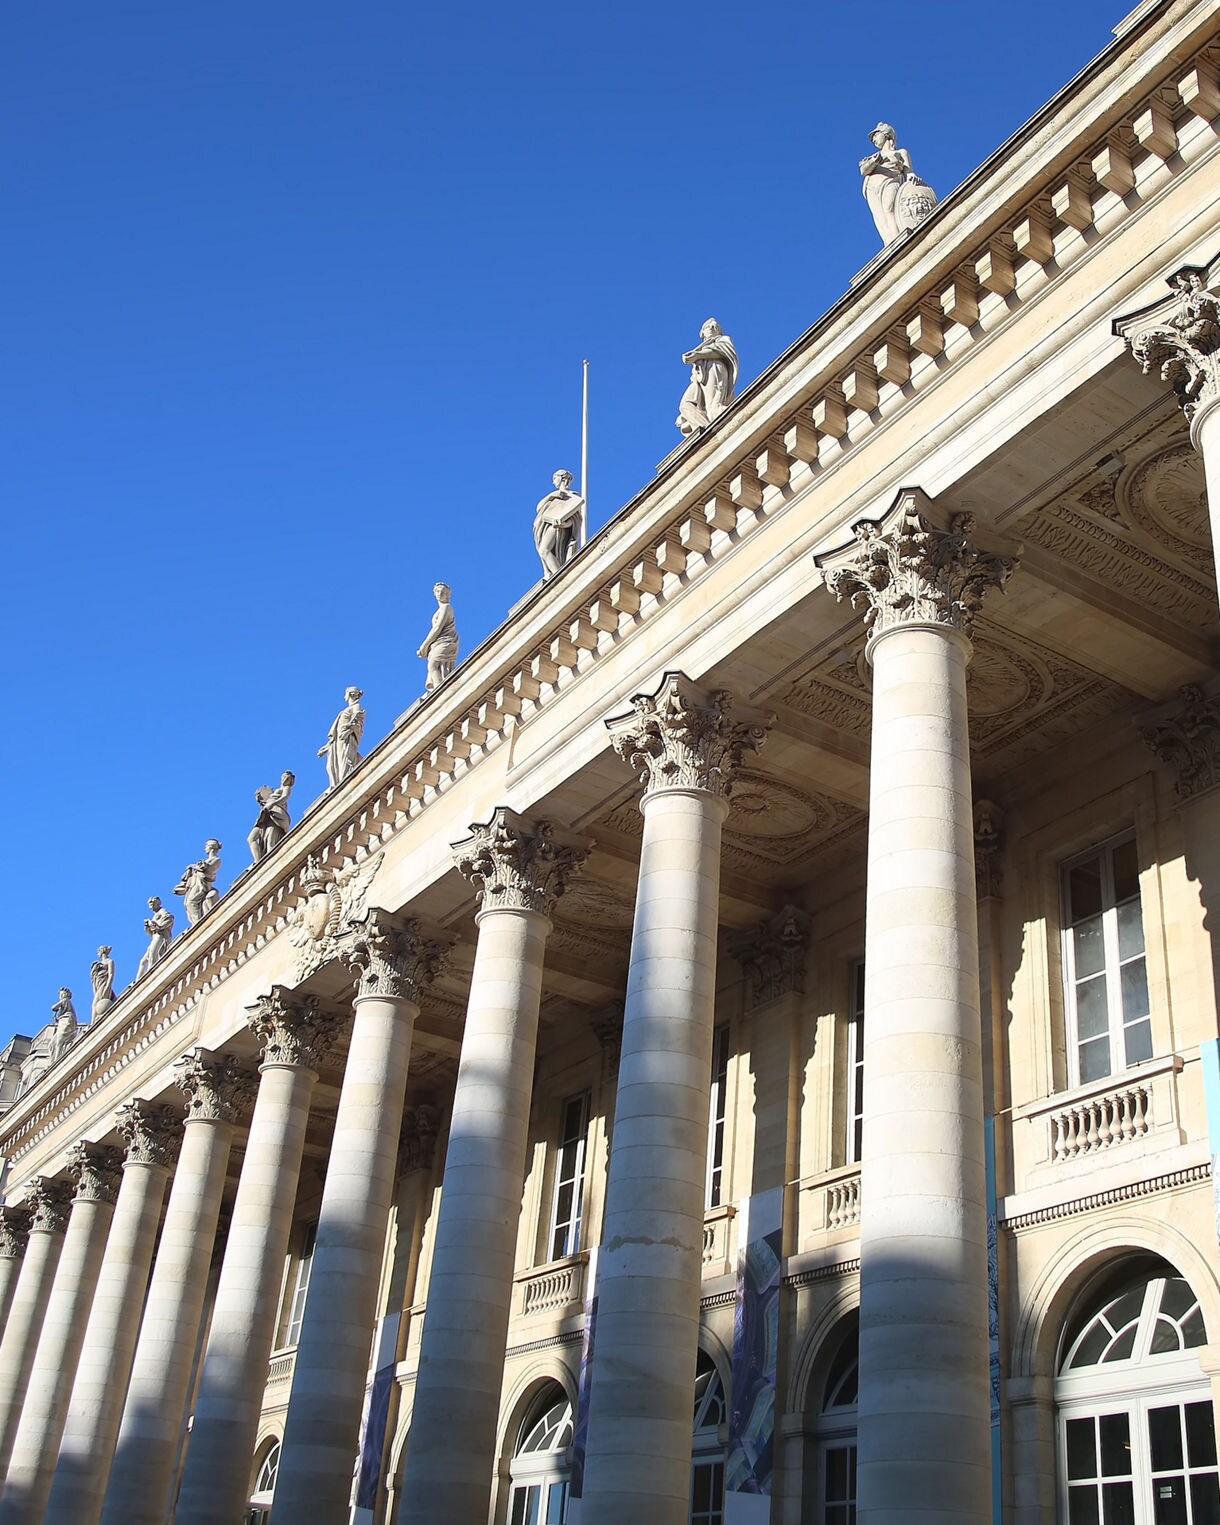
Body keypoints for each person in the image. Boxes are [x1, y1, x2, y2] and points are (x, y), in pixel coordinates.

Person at [860, 122, 937, 246]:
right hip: (871, 187)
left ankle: (897, 240)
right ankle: (888, 244)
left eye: (876, 135)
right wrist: (874, 162)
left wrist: (912, 178)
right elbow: (863, 170)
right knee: (879, 218)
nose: (874, 139)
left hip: (890, 180)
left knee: (889, 209)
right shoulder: (873, 157)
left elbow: (909, 171)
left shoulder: (901, 152)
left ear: (886, 134)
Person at [676, 319, 739, 437]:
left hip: (714, 367)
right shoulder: (702, 346)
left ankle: (719, 428)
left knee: (713, 407)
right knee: (685, 405)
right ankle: (705, 430)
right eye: (708, 326)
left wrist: (698, 355)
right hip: (699, 379)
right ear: (702, 333)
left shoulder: (722, 339)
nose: (712, 328)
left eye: (715, 326)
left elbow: (721, 351)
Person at [533, 471, 586, 578]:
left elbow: (575, 520)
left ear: (562, 478)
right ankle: (555, 574)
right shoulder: (554, 496)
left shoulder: (573, 496)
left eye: (555, 478)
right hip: (548, 525)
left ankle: (559, 577)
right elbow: (539, 508)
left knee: (544, 550)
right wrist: (552, 495)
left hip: (557, 527)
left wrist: (563, 524)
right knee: (544, 551)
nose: (553, 481)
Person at [318, 687, 365, 788]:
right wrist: (327, 746)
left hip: (347, 739)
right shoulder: (346, 710)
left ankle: (344, 783)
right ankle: (338, 784)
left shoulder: (356, 706)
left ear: (350, 695)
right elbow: (335, 733)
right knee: (332, 765)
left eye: (346, 693)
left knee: (345, 761)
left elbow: (358, 719)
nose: (344, 696)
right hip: (338, 741)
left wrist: (348, 728)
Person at [418, 583, 459, 692]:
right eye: (438, 591)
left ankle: (440, 692)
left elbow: (437, 628)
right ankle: (443, 688)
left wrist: (424, 645)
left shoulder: (447, 607)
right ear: (435, 594)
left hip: (446, 640)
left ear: (448, 595)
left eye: (444, 592)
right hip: (438, 642)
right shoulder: (440, 609)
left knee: (433, 665)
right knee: (439, 666)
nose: (441, 594)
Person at [248, 772, 295, 862]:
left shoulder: (286, 788)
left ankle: (271, 862)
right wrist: (262, 801)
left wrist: (273, 803)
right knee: (251, 839)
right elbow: (267, 802)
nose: (285, 778)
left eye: (287, 778)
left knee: (270, 843)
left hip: (276, 816)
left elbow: (285, 797)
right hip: (266, 815)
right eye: (284, 776)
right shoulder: (276, 791)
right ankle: (258, 862)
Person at [174, 839, 223, 924]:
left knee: (191, 902)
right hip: (195, 883)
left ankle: (198, 923)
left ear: (211, 848)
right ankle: (196, 923)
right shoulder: (207, 860)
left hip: (202, 885)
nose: (205, 848)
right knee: (187, 903)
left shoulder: (216, 859)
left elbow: (207, 869)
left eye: (206, 846)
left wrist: (194, 866)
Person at [136, 897, 175, 979]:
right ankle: (138, 981)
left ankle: (151, 978)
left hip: (160, 936)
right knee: (143, 961)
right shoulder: (155, 915)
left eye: (152, 903)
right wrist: (148, 928)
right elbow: (152, 932)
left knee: (153, 957)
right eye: (149, 904)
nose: (150, 906)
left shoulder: (162, 911)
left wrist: (158, 926)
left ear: (157, 903)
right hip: (155, 936)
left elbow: (170, 918)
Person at [90, 945, 116, 1019]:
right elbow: (94, 980)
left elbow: (111, 975)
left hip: (104, 985)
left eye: (98, 951)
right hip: (98, 985)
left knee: (94, 1004)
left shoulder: (110, 961)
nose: (98, 953)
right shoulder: (97, 964)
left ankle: (92, 1024)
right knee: (96, 1003)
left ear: (102, 951)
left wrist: (108, 987)